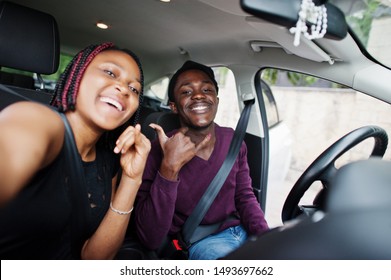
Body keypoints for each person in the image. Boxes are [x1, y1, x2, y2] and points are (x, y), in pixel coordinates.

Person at [0, 42, 151, 259]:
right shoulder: (39, 121)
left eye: (134, 88)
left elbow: (93, 259)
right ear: (77, 73)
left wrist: (132, 178)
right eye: (110, 72)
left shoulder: (109, 163)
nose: (124, 89)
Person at [135, 60, 269, 260]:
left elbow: (245, 197)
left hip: (242, 231)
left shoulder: (233, 140)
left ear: (216, 99)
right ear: (173, 106)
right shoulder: (156, 151)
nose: (198, 95)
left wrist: (265, 236)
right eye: (187, 92)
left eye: (207, 89)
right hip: (203, 243)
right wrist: (168, 168)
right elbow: (149, 238)